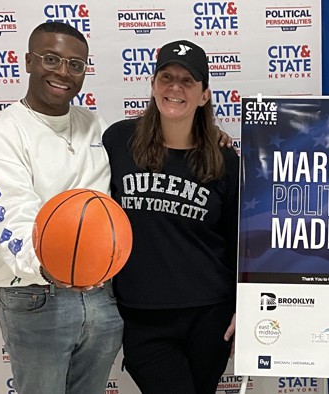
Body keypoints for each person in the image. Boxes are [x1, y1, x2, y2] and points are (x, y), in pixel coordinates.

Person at [0, 22, 123, 394]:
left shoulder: (93, 126)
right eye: (51, 59)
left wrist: (204, 133)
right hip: (37, 295)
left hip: (99, 292)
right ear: (28, 61)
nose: (62, 72)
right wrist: (57, 266)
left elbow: (140, 163)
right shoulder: (5, 133)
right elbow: (9, 219)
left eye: (75, 64)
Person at [102, 39, 239, 394]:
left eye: (188, 81)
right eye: (167, 77)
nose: (175, 88)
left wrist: (246, 308)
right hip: (143, 316)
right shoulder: (119, 141)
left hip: (210, 314)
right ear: (153, 84)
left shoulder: (224, 160)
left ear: (204, 94)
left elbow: (241, 242)